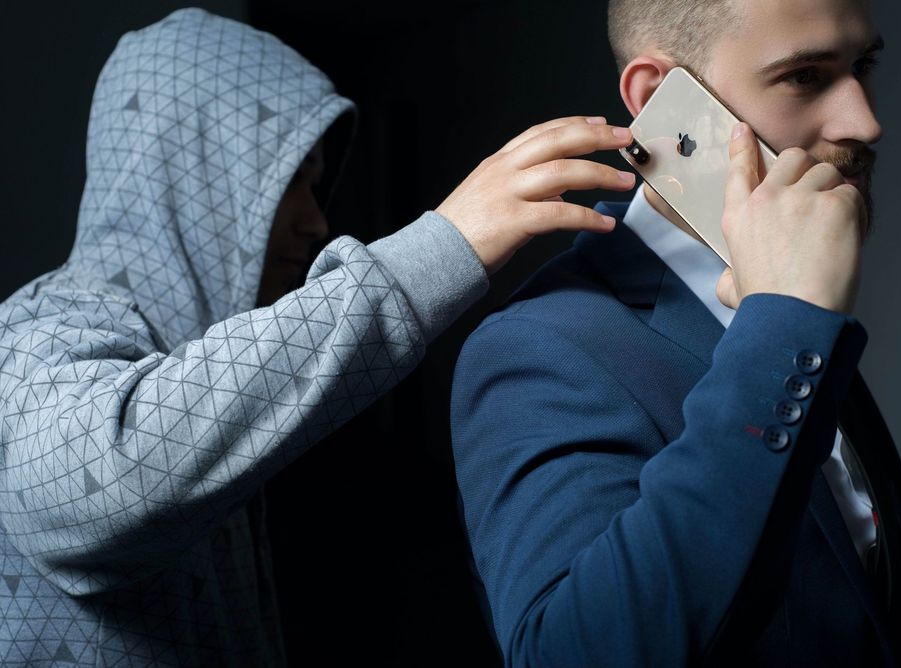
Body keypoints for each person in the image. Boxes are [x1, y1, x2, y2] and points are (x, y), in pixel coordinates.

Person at [0, 8, 638, 666]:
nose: (315, 222)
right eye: (289, 181)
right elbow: (106, 484)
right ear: (194, 172)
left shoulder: (196, 364)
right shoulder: (35, 333)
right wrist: (444, 245)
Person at [451, 0, 901, 665]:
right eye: (804, 76)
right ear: (659, 101)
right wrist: (786, 325)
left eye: (864, 65)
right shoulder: (542, 349)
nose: (865, 122)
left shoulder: (799, 296)